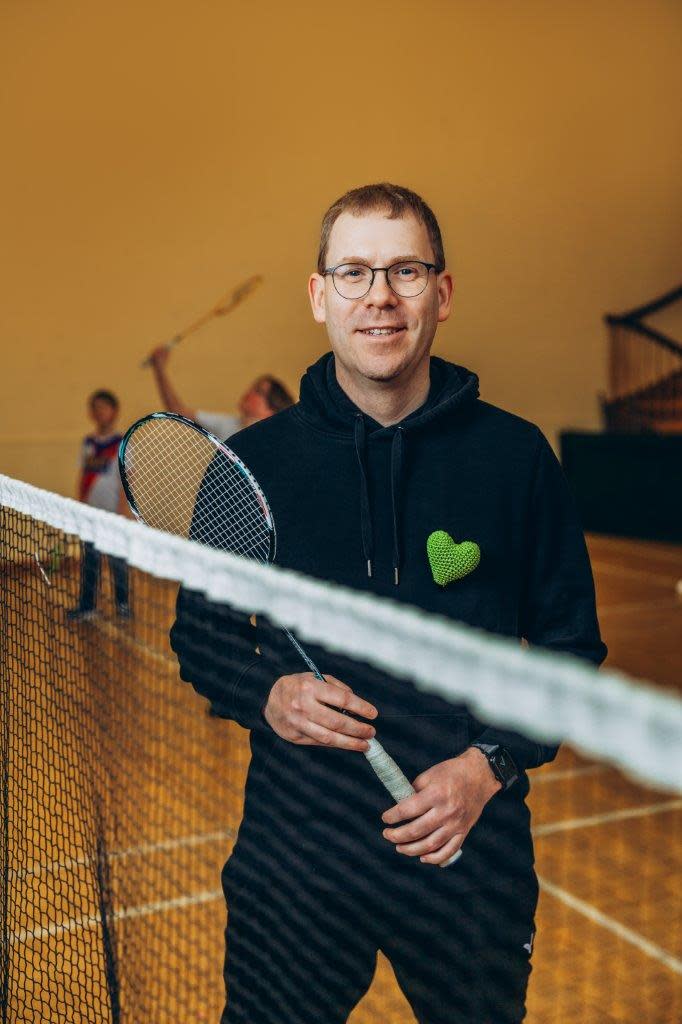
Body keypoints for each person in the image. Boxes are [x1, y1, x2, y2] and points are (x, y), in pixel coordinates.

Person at [170, 183, 607, 1024]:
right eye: (354, 272)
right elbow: (202, 636)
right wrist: (268, 692)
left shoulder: (517, 459)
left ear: (442, 292)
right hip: (297, 854)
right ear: (319, 295)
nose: (379, 296)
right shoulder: (247, 467)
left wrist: (487, 766)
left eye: (405, 270)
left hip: (468, 852)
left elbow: (570, 649)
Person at [67, 389, 130, 621]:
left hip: (113, 513)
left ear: (114, 411)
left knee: (117, 562)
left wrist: (123, 511)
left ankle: (123, 605)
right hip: (90, 514)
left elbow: (127, 478)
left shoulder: (122, 443)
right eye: (95, 408)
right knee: (90, 561)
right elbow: (83, 475)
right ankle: (87, 606)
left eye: (104, 407)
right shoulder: (88, 443)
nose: (99, 411)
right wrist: (79, 505)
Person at [147, 345, 294, 438]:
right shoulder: (226, 424)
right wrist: (159, 367)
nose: (249, 392)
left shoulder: (276, 442)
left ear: (272, 410)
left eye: (258, 391)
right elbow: (177, 410)